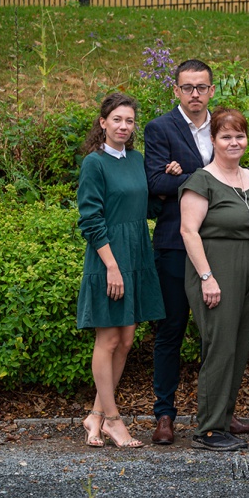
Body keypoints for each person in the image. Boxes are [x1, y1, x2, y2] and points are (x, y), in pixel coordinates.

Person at [144, 59, 249, 444]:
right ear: (176, 90)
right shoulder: (160, 128)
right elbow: (154, 181)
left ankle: (222, 413)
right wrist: (181, 177)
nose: (195, 94)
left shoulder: (221, 127)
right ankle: (165, 414)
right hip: (178, 246)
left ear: (211, 89)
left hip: (222, 251)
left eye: (202, 87)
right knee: (172, 330)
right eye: (187, 87)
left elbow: (230, 172)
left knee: (224, 335)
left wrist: (179, 175)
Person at [76, 92, 165, 449]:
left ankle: (95, 416)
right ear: (103, 123)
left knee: (126, 341)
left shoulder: (136, 159)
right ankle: (113, 420)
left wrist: (169, 178)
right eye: (117, 119)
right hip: (109, 257)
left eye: (129, 121)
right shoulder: (94, 163)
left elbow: (144, 206)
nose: (124, 126)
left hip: (136, 254)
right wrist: (112, 266)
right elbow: (90, 219)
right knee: (109, 339)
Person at [180, 108, 249, 451]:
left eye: (239, 136)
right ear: (213, 140)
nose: (234, 142)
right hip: (216, 269)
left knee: (239, 345)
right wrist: (207, 277)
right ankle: (208, 430)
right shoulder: (201, 180)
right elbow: (188, 231)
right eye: (226, 136)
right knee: (220, 347)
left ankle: (225, 418)